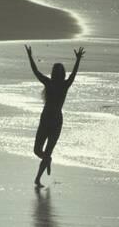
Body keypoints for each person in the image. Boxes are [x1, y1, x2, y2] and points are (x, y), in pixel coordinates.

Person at [25, 44, 85, 187]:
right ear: (56, 73)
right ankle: (47, 160)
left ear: (59, 73)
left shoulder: (63, 84)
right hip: (48, 121)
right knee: (38, 151)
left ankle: (38, 178)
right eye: (57, 71)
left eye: (59, 71)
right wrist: (77, 60)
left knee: (44, 152)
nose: (58, 73)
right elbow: (36, 71)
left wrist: (30, 56)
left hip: (54, 122)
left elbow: (36, 71)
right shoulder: (53, 83)